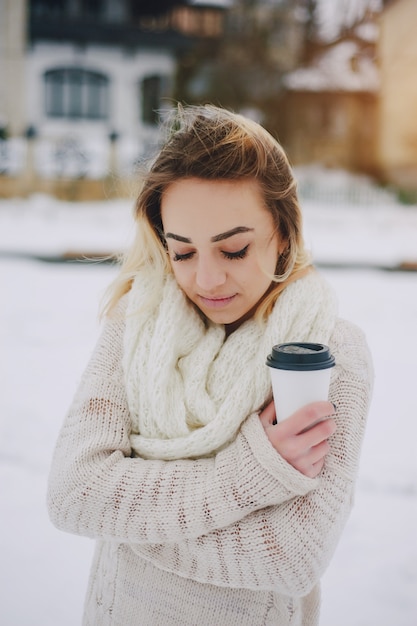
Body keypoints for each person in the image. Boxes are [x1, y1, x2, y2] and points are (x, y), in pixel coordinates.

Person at [47, 104, 373, 626]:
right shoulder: (137, 323)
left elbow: (292, 558)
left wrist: (131, 520)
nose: (206, 281)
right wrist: (249, 475)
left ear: (284, 233)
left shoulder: (325, 355)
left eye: (235, 250)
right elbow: (74, 493)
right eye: (182, 253)